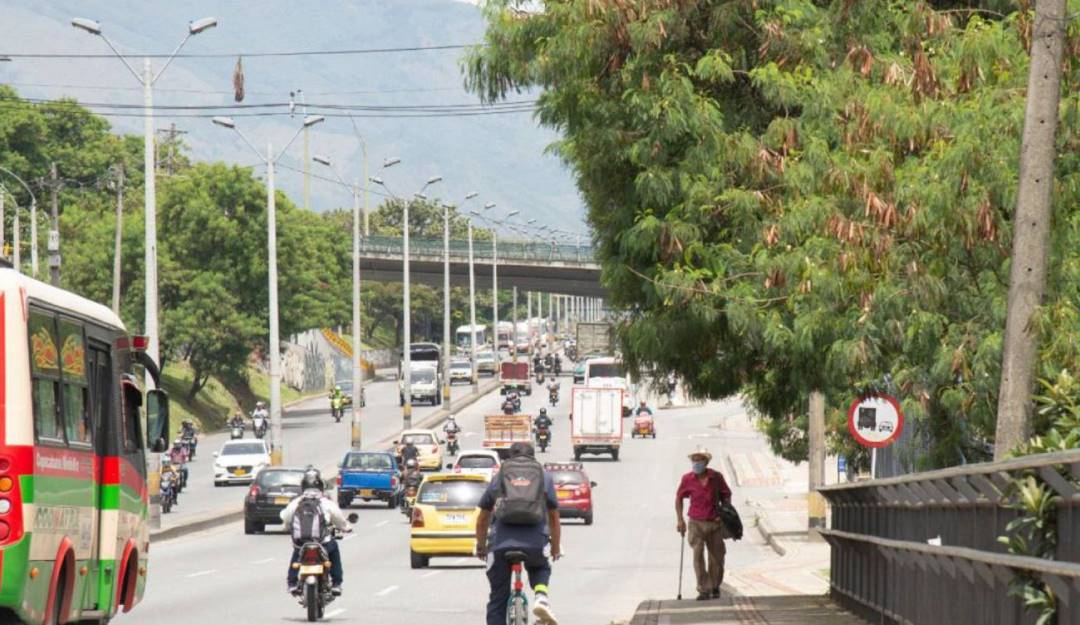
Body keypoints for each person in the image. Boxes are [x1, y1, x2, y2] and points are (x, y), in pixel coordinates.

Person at [475, 442, 561, 625]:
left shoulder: (499, 477)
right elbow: (554, 516)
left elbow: (482, 518)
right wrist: (554, 547)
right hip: (536, 543)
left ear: (509, 457)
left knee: (498, 598)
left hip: (500, 545)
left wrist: (481, 546)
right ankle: (541, 595)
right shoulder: (544, 477)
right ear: (533, 456)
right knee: (541, 565)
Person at [281, 468, 351, 595]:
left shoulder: (297, 502)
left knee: (297, 553)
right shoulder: (326, 502)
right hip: (323, 543)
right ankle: (336, 583)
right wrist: (346, 527)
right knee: (334, 549)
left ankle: (291, 583)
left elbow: (285, 517)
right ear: (321, 486)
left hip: (301, 543)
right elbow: (339, 519)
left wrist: (286, 526)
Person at [675, 448, 732, 601]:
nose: (696, 463)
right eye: (694, 460)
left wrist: (724, 513)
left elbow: (726, 495)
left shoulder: (716, 477)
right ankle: (704, 588)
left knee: (717, 558)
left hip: (714, 523)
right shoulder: (687, 479)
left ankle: (714, 586)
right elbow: (679, 498)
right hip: (695, 523)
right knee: (698, 555)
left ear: (706, 462)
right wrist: (680, 520)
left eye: (699, 460)